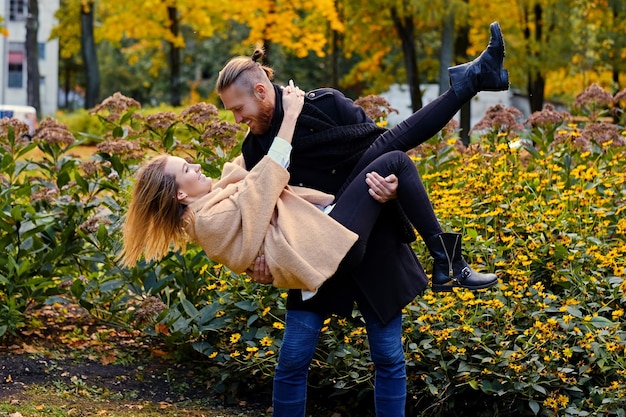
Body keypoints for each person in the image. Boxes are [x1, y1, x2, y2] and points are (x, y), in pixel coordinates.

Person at [213, 21, 508, 417]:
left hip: (369, 242)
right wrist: (260, 258)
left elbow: (374, 154)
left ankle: (468, 82)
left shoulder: (326, 104)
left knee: (388, 356)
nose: (236, 119)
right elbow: (265, 208)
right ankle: (467, 83)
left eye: (238, 109)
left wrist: (390, 192)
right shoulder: (255, 149)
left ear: (261, 92)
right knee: (293, 359)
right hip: (312, 253)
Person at [121, 82, 494, 295]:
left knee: (389, 148)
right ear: (180, 194)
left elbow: (242, 169)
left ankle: (465, 84)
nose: (197, 164)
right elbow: (265, 179)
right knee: (395, 157)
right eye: (187, 168)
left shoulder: (214, 198)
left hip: (324, 226)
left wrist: (273, 104)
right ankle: (449, 262)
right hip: (324, 243)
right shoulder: (207, 221)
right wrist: (292, 115)